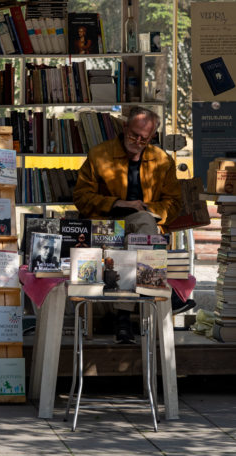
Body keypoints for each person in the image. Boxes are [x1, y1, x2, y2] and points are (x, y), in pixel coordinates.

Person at [73, 106, 187, 342]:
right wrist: (118, 203)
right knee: (140, 239)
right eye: (134, 134)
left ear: (152, 136)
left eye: (144, 138)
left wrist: (149, 209)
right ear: (124, 127)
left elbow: (174, 203)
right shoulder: (99, 155)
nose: (138, 141)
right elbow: (81, 198)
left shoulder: (162, 161)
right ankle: (158, 288)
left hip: (142, 225)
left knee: (141, 230)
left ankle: (123, 319)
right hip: (105, 224)